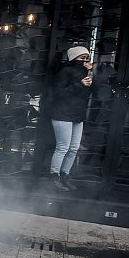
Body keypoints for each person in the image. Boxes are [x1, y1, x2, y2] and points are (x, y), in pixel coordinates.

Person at [49, 46, 93, 191]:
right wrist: (79, 85)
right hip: (62, 114)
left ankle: (65, 175)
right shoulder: (65, 71)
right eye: (82, 57)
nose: (85, 60)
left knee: (73, 148)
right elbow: (58, 93)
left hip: (77, 115)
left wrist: (91, 73)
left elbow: (95, 89)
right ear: (73, 58)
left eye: (87, 57)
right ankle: (54, 175)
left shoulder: (85, 72)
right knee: (63, 147)